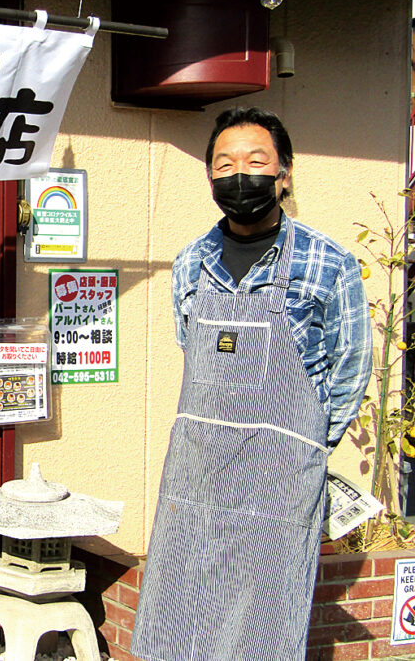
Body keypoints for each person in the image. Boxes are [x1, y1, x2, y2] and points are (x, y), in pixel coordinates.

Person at [129, 107, 372, 660]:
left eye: (256, 162)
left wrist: (304, 446)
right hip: (198, 472)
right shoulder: (191, 263)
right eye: (225, 165)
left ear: (284, 173)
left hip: (280, 476)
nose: (240, 176)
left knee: (265, 614)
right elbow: (190, 347)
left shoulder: (328, 262)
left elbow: (351, 369)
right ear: (210, 177)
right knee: (186, 602)